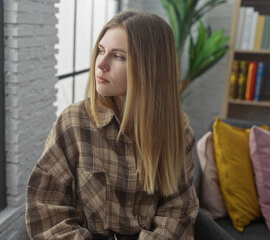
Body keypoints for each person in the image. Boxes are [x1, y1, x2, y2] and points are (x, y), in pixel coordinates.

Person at [25, 10, 199, 240]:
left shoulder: (179, 134)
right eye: (100, 51)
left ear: (150, 66)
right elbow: (46, 208)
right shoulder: (74, 123)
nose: (101, 64)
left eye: (118, 56)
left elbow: (177, 212)